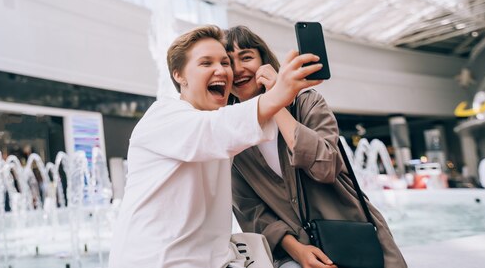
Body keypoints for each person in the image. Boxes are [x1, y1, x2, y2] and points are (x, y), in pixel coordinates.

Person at [108, 25, 323, 268]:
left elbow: (310, 156)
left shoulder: (221, 127)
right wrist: (279, 91)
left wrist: (279, 94)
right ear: (179, 75)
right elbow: (216, 129)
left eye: (224, 63)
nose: (221, 70)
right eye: (206, 63)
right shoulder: (164, 117)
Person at [225, 25, 407, 268]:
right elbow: (251, 211)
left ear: (264, 61)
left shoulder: (307, 103)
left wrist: (274, 99)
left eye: (246, 57)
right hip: (296, 254)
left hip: (354, 237)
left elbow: (326, 166)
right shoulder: (232, 134)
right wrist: (298, 251)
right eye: (229, 62)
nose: (238, 69)